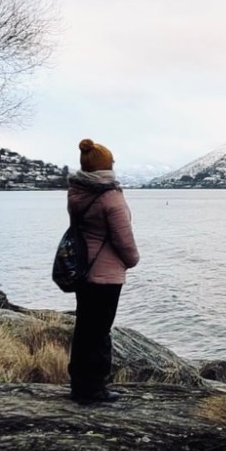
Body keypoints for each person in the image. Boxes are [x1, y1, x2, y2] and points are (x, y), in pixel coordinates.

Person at [66, 139, 140, 403]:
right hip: (106, 276)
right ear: (106, 166)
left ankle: (79, 384)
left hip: (82, 270)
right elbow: (124, 239)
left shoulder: (77, 192)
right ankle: (95, 388)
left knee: (85, 327)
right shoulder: (110, 197)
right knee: (100, 331)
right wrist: (133, 260)